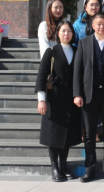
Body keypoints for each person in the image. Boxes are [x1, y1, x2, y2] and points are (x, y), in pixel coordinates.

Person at [73, 13, 104, 183]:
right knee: (89, 134)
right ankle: (90, 170)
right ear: (93, 25)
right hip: (89, 95)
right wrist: (77, 94)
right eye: (98, 24)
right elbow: (78, 70)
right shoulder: (84, 43)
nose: (101, 27)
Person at [35, 21, 82, 182]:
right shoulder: (51, 52)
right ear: (58, 34)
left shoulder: (76, 51)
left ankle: (63, 166)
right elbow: (42, 76)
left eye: (69, 31)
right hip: (54, 98)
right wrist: (41, 100)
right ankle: (54, 167)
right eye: (63, 31)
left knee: (67, 135)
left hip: (71, 98)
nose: (66, 34)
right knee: (53, 134)